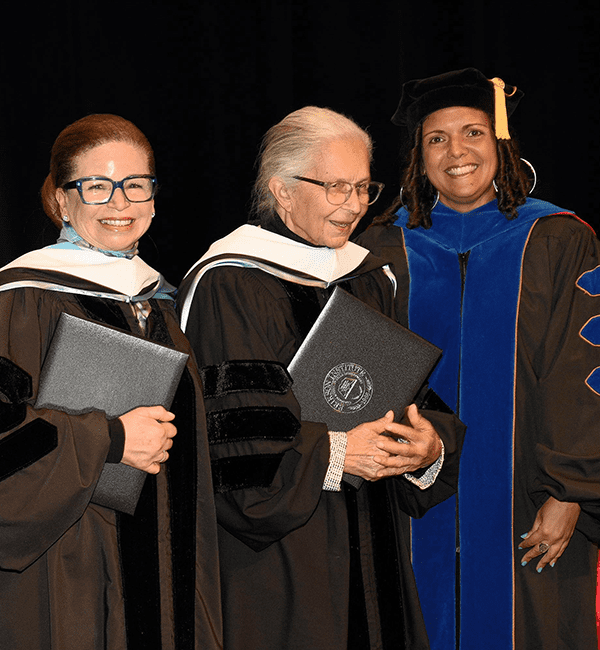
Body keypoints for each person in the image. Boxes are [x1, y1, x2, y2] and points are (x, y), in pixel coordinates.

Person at [177, 106, 465, 650]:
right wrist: (335, 452)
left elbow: (404, 392)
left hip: (370, 542)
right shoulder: (232, 283)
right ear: (281, 190)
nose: (354, 205)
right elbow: (233, 445)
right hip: (277, 560)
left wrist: (427, 444)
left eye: (363, 187)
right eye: (335, 187)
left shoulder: (365, 276)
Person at [358, 68, 600, 650]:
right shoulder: (377, 248)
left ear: (501, 145)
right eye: (437, 138)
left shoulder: (560, 239)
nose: (457, 151)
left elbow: (585, 374)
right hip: (409, 496)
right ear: (419, 155)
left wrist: (570, 492)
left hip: (530, 497)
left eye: (473, 132)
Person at [0, 114, 222, 650]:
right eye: (97, 186)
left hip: (172, 565)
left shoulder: (159, 305)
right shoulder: (21, 298)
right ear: (61, 199)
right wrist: (111, 439)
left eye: (136, 185)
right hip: (68, 566)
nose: (120, 204)